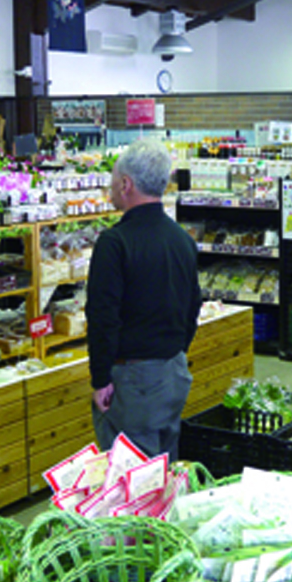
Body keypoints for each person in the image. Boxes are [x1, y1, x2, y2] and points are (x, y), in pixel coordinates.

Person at [85, 139, 201, 460]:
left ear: (126, 184)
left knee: (130, 476)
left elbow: (103, 316)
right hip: (173, 371)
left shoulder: (114, 243)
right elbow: (193, 306)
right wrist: (173, 352)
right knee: (165, 465)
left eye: (113, 178)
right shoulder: (182, 239)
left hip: (133, 380)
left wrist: (100, 378)